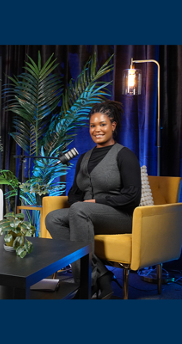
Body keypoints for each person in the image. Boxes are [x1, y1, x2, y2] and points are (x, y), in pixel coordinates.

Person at [45, 100, 141, 299]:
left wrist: (97, 201)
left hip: (121, 217)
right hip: (87, 215)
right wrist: (78, 199)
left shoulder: (124, 155)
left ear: (113, 126)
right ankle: (102, 276)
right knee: (52, 218)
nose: (97, 129)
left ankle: (85, 286)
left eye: (102, 124)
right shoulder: (84, 157)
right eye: (92, 125)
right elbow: (75, 193)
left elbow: (132, 196)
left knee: (80, 210)